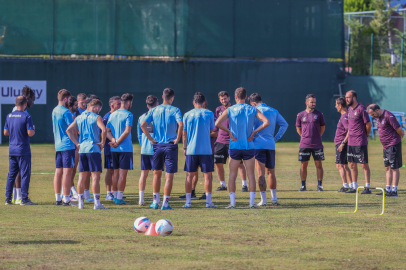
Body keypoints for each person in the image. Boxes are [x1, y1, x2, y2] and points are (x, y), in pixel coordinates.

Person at [215, 87, 270, 209]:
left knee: (232, 175)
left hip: (234, 146)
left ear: (235, 97)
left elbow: (217, 123)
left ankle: (233, 203)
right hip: (248, 146)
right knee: (251, 174)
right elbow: (267, 122)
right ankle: (251, 203)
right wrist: (254, 132)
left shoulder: (230, 109)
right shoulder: (252, 109)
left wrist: (229, 132)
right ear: (246, 97)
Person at [141, 88, 183, 210]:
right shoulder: (175, 110)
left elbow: (143, 125)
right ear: (172, 98)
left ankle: (155, 201)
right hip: (170, 145)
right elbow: (181, 124)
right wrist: (178, 138)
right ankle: (165, 204)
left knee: (156, 174)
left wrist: (150, 139)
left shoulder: (154, 110)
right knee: (169, 177)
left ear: (162, 97)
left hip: (157, 145)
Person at [248, 93, 288, 206]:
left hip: (258, 145)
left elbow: (250, 127)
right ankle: (274, 199)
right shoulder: (274, 110)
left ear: (254, 103)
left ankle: (264, 200)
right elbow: (284, 124)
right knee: (271, 173)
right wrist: (276, 138)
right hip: (270, 145)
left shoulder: (254, 111)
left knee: (260, 173)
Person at [67, 99, 107, 209]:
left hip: (82, 149)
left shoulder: (79, 117)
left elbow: (68, 130)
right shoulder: (96, 117)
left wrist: (76, 143)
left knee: (81, 176)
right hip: (93, 149)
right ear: (97, 108)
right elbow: (104, 130)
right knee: (95, 177)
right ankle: (97, 204)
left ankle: (80, 203)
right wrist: (102, 143)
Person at [182, 92, 217, 208]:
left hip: (191, 150)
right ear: (204, 103)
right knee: (207, 176)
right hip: (206, 150)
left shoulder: (187, 114)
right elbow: (212, 130)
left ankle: (188, 202)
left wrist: (184, 148)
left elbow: (184, 133)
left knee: (189, 176)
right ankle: (208, 202)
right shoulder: (210, 114)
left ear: (193, 102)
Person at [4, 96, 37, 205]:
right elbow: (30, 133)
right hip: (23, 150)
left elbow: (5, 132)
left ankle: (8, 199)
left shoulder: (9, 116)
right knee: (25, 174)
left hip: (12, 149)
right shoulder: (27, 116)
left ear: (15, 104)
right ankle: (24, 199)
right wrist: (33, 129)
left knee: (11, 174)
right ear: (25, 104)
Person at [214, 91, 248, 192]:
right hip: (220, 141)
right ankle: (223, 185)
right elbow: (217, 124)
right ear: (220, 100)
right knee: (218, 163)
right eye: (221, 99)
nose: (224, 100)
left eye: (225, 98)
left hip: (233, 140)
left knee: (239, 164)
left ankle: (244, 185)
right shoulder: (218, 109)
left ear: (229, 98)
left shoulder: (234, 108)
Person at [367, 104, 403, 197]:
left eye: (373, 114)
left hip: (393, 145)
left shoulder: (388, 116)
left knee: (394, 168)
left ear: (378, 110)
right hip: (385, 146)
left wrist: (397, 139)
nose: (372, 116)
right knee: (387, 168)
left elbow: (399, 129)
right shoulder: (378, 117)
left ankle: (394, 191)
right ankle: (387, 190)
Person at [107, 93, 134, 205]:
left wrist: (113, 140)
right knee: (122, 174)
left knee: (116, 173)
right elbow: (127, 131)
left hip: (114, 149)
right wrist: (117, 142)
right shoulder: (129, 114)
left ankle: (115, 196)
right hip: (125, 148)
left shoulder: (112, 114)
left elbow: (107, 131)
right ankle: (119, 198)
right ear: (129, 102)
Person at [296, 94, 326, 192]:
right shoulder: (300, 115)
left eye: (314, 102)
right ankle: (303, 185)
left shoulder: (319, 114)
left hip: (317, 144)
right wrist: (304, 137)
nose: (313, 104)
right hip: (304, 144)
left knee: (318, 164)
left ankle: (320, 186)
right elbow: (298, 128)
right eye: (311, 102)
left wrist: (317, 136)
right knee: (303, 165)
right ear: (306, 102)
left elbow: (322, 128)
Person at [52, 89, 76, 206]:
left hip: (58, 145)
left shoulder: (54, 110)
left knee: (58, 172)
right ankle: (66, 199)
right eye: (70, 99)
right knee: (68, 173)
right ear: (65, 99)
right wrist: (76, 143)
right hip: (67, 145)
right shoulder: (66, 112)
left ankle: (58, 198)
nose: (70, 102)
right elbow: (71, 129)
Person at [344, 90, 372, 194]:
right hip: (351, 142)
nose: (346, 99)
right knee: (352, 164)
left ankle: (367, 187)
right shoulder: (349, 110)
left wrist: (366, 135)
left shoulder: (361, 109)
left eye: (348, 97)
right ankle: (354, 187)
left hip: (360, 141)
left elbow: (368, 125)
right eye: (346, 97)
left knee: (364, 165)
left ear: (354, 98)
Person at [11, 86, 35, 204]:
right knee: (21, 172)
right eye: (33, 100)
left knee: (16, 172)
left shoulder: (16, 110)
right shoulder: (23, 112)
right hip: (20, 146)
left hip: (14, 146)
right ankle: (20, 197)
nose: (33, 103)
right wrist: (31, 129)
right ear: (28, 99)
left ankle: (16, 196)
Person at [137, 95, 161, 206]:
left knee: (143, 174)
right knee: (157, 175)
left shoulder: (141, 117)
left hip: (145, 149)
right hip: (156, 148)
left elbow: (139, 135)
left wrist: (144, 146)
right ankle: (156, 199)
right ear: (157, 104)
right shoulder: (159, 116)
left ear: (147, 105)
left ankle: (141, 199)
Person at [103, 96, 121, 201]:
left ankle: (115, 192)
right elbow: (103, 133)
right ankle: (108, 193)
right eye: (118, 104)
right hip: (109, 148)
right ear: (112, 105)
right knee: (110, 171)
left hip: (118, 148)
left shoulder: (119, 115)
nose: (120, 106)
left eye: (120, 103)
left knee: (117, 171)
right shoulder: (107, 117)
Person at [334, 97, 353, 193]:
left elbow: (349, 131)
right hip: (342, 143)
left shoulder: (344, 116)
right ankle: (351, 185)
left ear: (340, 106)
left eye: (336, 104)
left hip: (341, 144)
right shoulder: (345, 116)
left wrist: (342, 143)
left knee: (339, 165)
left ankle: (345, 186)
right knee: (345, 165)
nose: (335, 106)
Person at [67, 96, 80, 200]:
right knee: (70, 169)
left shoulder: (76, 115)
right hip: (71, 146)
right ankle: (69, 191)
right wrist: (76, 143)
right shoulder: (69, 115)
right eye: (76, 105)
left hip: (75, 145)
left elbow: (78, 131)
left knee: (73, 169)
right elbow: (73, 132)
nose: (78, 106)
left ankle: (70, 190)